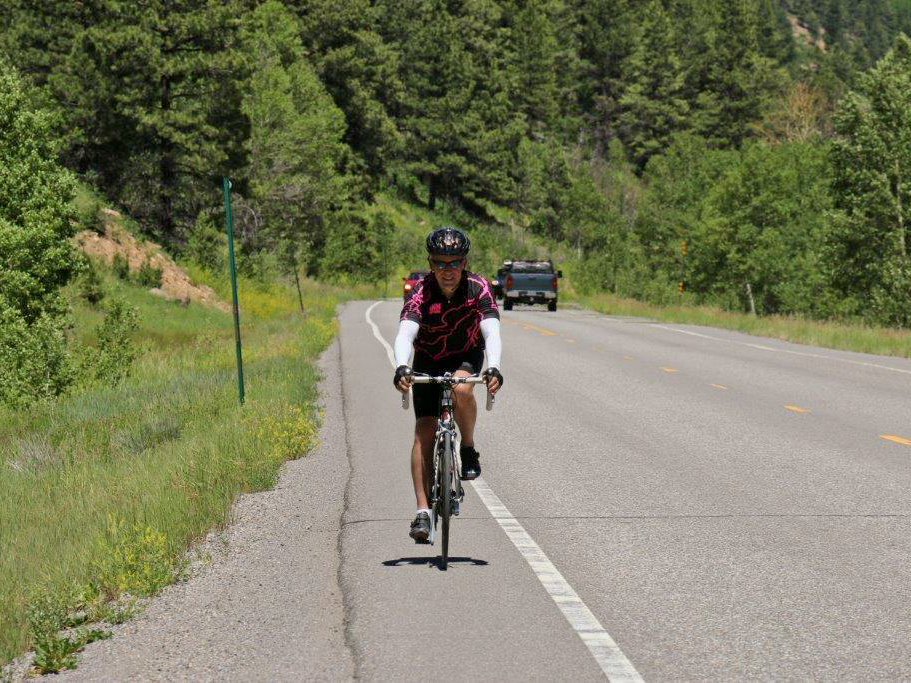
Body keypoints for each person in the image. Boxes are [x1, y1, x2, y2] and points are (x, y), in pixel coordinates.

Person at [392, 227, 503, 543]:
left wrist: (494, 366)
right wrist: (401, 365)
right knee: (423, 431)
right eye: (440, 263)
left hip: (466, 356)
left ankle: (467, 448)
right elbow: (405, 333)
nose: (447, 270)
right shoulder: (420, 292)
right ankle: (423, 512)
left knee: (463, 389)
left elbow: (491, 331)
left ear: (464, 262)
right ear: (430, 264)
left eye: (454, 263)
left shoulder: (477, 287)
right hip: (427, 359)